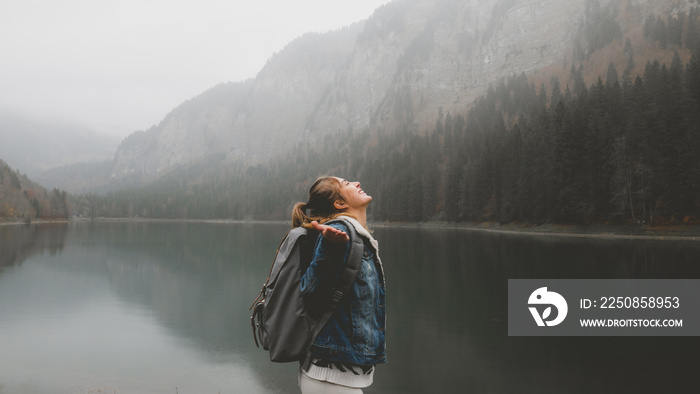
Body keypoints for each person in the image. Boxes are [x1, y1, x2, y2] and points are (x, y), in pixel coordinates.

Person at [291, 176, 386, 394]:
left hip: (339, 374)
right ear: (340, 204)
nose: (357, 183)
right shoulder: (336, 232)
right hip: (328, 375)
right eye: (346, 184)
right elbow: (306, 290)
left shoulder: (356, 234)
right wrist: (329, 249)